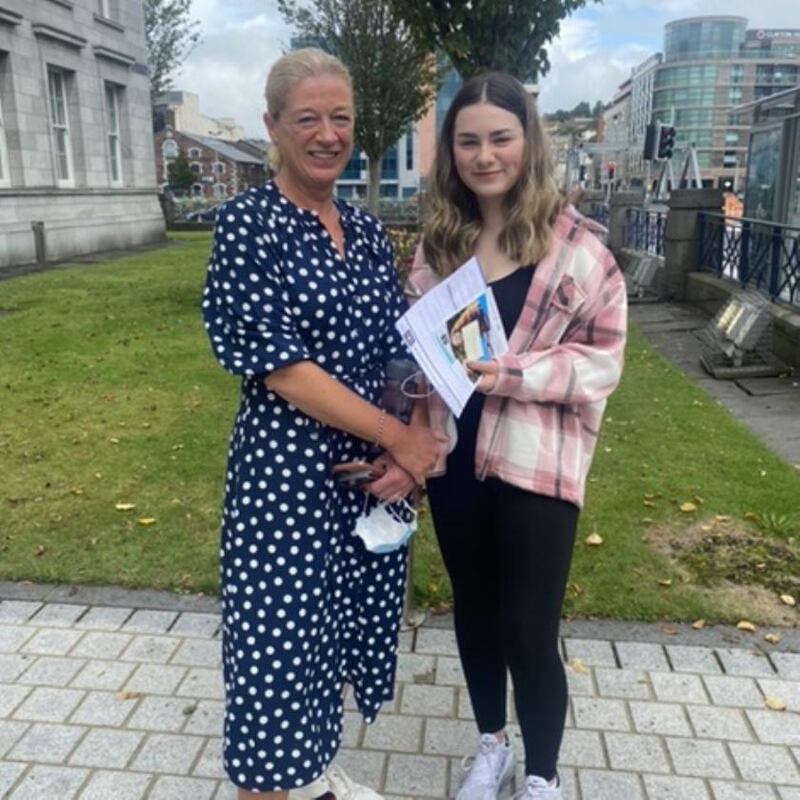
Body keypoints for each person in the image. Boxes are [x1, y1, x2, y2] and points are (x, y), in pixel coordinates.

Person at [201, 48, 444, 800]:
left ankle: (313, 773)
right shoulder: (249, 226)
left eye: (340, 117)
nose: (328, 133)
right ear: (273, 125)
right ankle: (273, 786)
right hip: (285, 491)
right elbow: (283, 368)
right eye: (307, 118)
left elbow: (394, 351)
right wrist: (395, 436)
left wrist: (411, 447)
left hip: (362, 484)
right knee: (275, 668)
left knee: (330, 639)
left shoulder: (369, 235)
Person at [405, 73, 627, 800]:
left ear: (528, 142)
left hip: (537, 461)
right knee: (475, 609)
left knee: (530, 627)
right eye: (467, 140)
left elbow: (602, 363)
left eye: (500, 137)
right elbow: (420, 346)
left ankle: (542, 776)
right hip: (457, 456)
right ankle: (492, 745)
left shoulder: (579, 249)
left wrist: (516, 373)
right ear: (451, 151)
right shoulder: (442, 242)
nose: (484, 154)